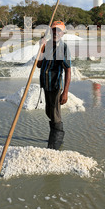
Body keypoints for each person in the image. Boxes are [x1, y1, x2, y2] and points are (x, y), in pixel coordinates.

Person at [37, 21, 71, 150]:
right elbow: (39, 65)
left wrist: (65, 92)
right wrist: (41, 47)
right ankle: (54, 137)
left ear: (62, 33)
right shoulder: (47, 46)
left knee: (56, 114)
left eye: (58, 31)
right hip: (46, 84)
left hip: (56, 85)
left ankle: (55, 145)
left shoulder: (63, 48)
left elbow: (68, 70)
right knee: (49, 112)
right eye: (53, 31)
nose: (56, 33)